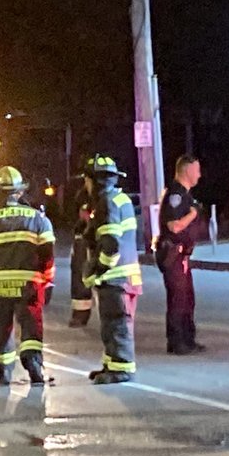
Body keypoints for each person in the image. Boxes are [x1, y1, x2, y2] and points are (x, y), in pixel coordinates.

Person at [0, 166, 55, 385]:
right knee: (32, 324)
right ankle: (33, 363)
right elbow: (48, 253)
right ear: (20, 191)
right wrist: (47, 281)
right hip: (29, 283)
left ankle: (3, 370)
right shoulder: (38, 218)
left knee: (1, 326)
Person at [83, 155, 142, 385]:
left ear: (94, 181)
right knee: (112, 324)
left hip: (115, 277)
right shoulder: (121, 199)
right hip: (125, 276)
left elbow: (111, 242)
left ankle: (121, 368)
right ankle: (112, 364)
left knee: (116, 323)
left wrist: (99, 269)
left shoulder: (106, 202)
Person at [156, 154, 205, 355]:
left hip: (182, 256)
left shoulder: (186, 195)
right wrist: (193, 214)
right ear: (187, 170)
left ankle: (188, 339)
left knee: (187, 299)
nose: (199, 175)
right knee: (178, 299)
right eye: (197, 170)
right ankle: (176, 342)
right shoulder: (175, 196)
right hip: (173, 255)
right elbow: (174, 226)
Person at [68, 167, 95, 328]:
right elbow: (75, 217)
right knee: (80, 276)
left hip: (102, 240)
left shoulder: (105, 196)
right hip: (83, 240)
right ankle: (80, 315)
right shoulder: (82, 195)